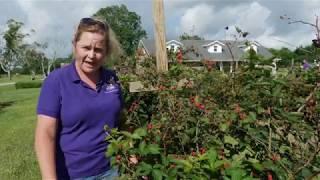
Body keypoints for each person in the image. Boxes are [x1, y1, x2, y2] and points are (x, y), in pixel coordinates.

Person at [35, 17, 123, 180]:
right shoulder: (57, 81)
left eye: (98, 50)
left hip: (112, 169)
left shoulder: (112, 78)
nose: (91, 55)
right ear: (75, 46)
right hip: (74, 174)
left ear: (106, 51)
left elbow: (121, 120)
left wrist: (130, 156)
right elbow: (45, 134)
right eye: (86, 48)